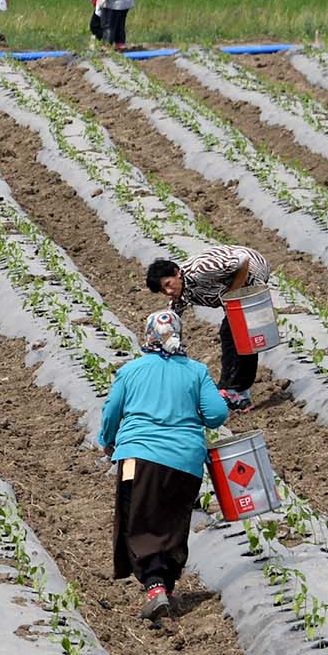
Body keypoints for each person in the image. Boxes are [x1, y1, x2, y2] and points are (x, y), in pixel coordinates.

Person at [98, 310, 229, 622]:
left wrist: (107, 439)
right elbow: (217, 414)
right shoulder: (196, 371)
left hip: (139, 457)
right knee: (172, 522)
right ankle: (165, 588)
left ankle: (155, 589)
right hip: (185, 462)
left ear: (148, 336)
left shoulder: (131, 371)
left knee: (140, 521)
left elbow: (111, 412)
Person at [146, 246, 272, 411]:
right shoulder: (181, 294)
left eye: (168, 284)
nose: (168, 291)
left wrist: (232, 294)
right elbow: (171, 322)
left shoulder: (201, 271)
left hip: (252, 271)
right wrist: (162, 351)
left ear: (177, 273)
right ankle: (228, 387)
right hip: (230, 283)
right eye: (163, 290)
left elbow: (243, 260)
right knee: (228, 333)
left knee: (241, 333)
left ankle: (237, 389)